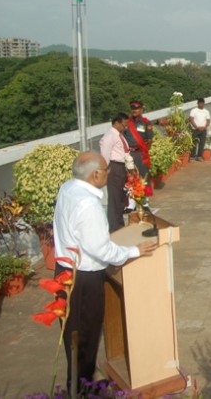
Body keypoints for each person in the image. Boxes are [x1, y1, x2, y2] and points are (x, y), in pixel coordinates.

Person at [53, 152, 157, 388]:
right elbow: (100, 249)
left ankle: (79, 383)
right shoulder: (88, 204)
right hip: (82, 279)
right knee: (85, 338)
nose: (108, 172)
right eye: (105, 169)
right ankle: (82, 388)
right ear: (95, 174)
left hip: (64, 270)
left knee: (74, 338)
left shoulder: (68, 188)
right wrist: (134, 251)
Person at [99, 113, 130, 232]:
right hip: (114, 167)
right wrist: (106, 170)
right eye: (124, 125)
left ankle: (119, 223)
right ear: (116, 123)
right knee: (115, 198)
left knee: (121, 198)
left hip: (121, 167)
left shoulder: (119, 135)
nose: (125, 127)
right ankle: (115, 227)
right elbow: (105, 154)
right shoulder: (109, 135)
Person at [125, 100, 154, 178]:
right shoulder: (126, 122)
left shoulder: (146, 123)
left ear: (141, 109)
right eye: (132, 108)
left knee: (143, 177)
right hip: (129, 154)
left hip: (140, 154)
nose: (134, 110)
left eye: (137, 108)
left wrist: (144, 152)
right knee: (130, 178)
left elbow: (149, 140)